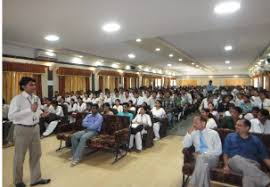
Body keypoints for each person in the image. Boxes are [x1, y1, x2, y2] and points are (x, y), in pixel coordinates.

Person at [8, 77, 50, 187]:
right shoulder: (17, 99)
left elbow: (37, 110)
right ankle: (18, 181)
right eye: (31, 85)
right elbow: (11, 116)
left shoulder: (36, 98)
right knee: (19, 156)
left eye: (34, 85)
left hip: (35, 128)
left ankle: (36, 179)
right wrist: (29, 110)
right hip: (22, 129)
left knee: (36, 154)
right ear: (23, 86)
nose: (34, 87)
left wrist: (41, 114)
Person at [223, 119, 270, 187]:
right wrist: (226, 165)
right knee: (237, 158)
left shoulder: (256, 140)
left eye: (239, 125)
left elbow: (265, 156)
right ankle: (267, 182)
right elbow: (225, 152)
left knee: (249, 175)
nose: (236, 126)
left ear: (247, 128)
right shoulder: (230, 136)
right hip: (234, 162)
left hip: (253, 163)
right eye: (236, 124)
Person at [183, 116, 222, 187]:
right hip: (199, 158)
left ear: (203, 123)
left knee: (201, 158)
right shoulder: (194, 133)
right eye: (193, 123)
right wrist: (188, 134)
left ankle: (192, 184)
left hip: (212, 158)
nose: (194, 125)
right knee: (204, 166)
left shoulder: (214, 133)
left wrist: (204, 153)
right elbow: (186, 145)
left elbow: (218, 151)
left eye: (196, 123)